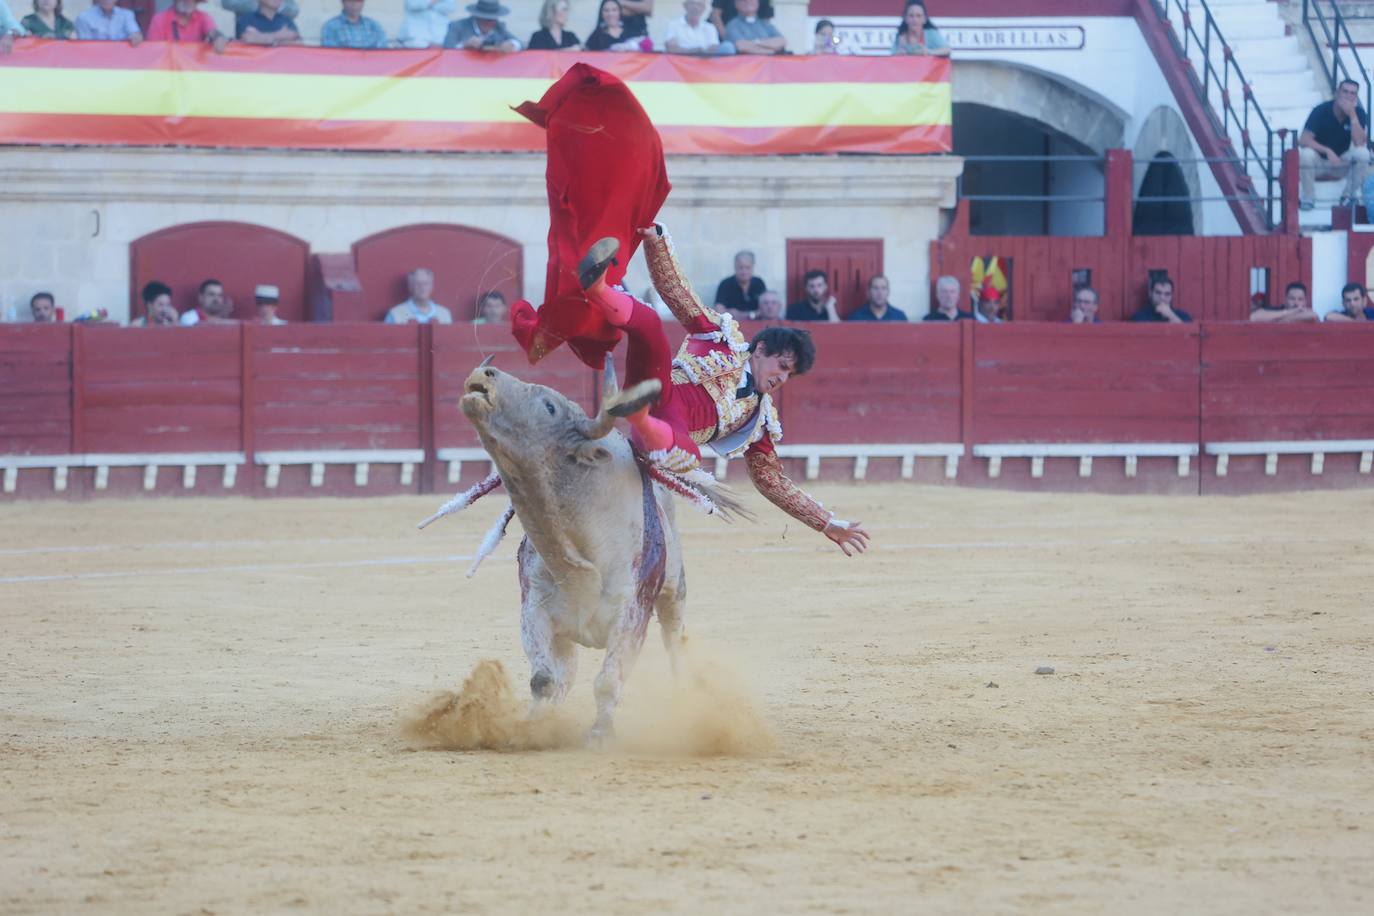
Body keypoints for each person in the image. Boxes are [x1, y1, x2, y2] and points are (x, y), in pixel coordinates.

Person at [578, 227, 871, 556]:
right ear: (759, 350)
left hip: (667, 435)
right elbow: (676, 292)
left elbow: (770, 482)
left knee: (687, 454)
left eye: (791, 375)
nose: (783, 378)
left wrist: (824, 522)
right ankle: (597, 286)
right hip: (660, 387)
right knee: (648, 321)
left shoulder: (758, 421)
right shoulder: (722, 339)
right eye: (783, 366)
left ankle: (640, 417)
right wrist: (655, 239)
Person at [1298, 79, 1370, 210]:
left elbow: (1359, 143)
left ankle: (1348, 197)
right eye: (1345, 91)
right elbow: (1303, 140)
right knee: (1306, 154)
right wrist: (1327, 151)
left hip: (1340, 163)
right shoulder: (1321, 110)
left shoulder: (1358, 113)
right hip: (1318, 163)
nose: (1348, 96)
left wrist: (1352, 115)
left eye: (1353, 93)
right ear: (1337, 93)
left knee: (1363, 154)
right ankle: (1308, 197)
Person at [147, 0, 229, 50]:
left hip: (195, 72)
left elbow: (212, 32)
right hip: (168, 71)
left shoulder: (203, 17)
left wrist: (218, 38)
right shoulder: (159, 19)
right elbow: (154, 51)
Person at [444, 0, 521, 51]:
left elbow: (520, 44)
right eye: (486, 19)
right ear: (477, 17)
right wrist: (464, 46)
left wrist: (512, 44)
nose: (490, 23)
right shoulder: (457, 26)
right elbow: (447, 49)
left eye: (493, 19)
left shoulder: (499, 27)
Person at [386, 268, 453, 324]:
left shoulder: (445, 314)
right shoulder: (395, 314)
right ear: (410, 287)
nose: (422, 288)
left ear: (432, 287)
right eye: (417, 284)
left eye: (426, 284)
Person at [713, 250, 765, 318]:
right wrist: (754, 314)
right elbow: (719, 312)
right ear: (735, 267)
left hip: (758, 326)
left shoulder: (759, 283)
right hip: (732, 327)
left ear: (753, 267)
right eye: (741, 267)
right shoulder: (725, 284)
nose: (744, 272)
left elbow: (767, 310)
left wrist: (739, 314)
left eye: (747, 268)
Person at [320, 0, 388, 48]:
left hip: (370, 67)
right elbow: (331, 57)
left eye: (358, 0)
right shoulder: (330, 27)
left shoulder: (374, 26)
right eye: (350, 0)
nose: (354, 4)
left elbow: (381, 55)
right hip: (343, 67)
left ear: (363, 2)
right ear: (342, 2)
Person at [74, 0, 142, 42]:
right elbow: (85, 45)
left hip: (122, 57)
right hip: (95, 57)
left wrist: (136, 37)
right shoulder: (84, 18)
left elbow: (135, 33)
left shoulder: (127, 15)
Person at [1251, 282, 1318, 323]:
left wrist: (1275, 319)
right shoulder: (1277, 310)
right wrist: (1290, 312)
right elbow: (1254, 317)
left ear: (1305, 302)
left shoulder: (1307, 312)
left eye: (1300, 299)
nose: (1296, 302)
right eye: (1292, 298)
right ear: (1285, 299)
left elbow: (1314, 316)